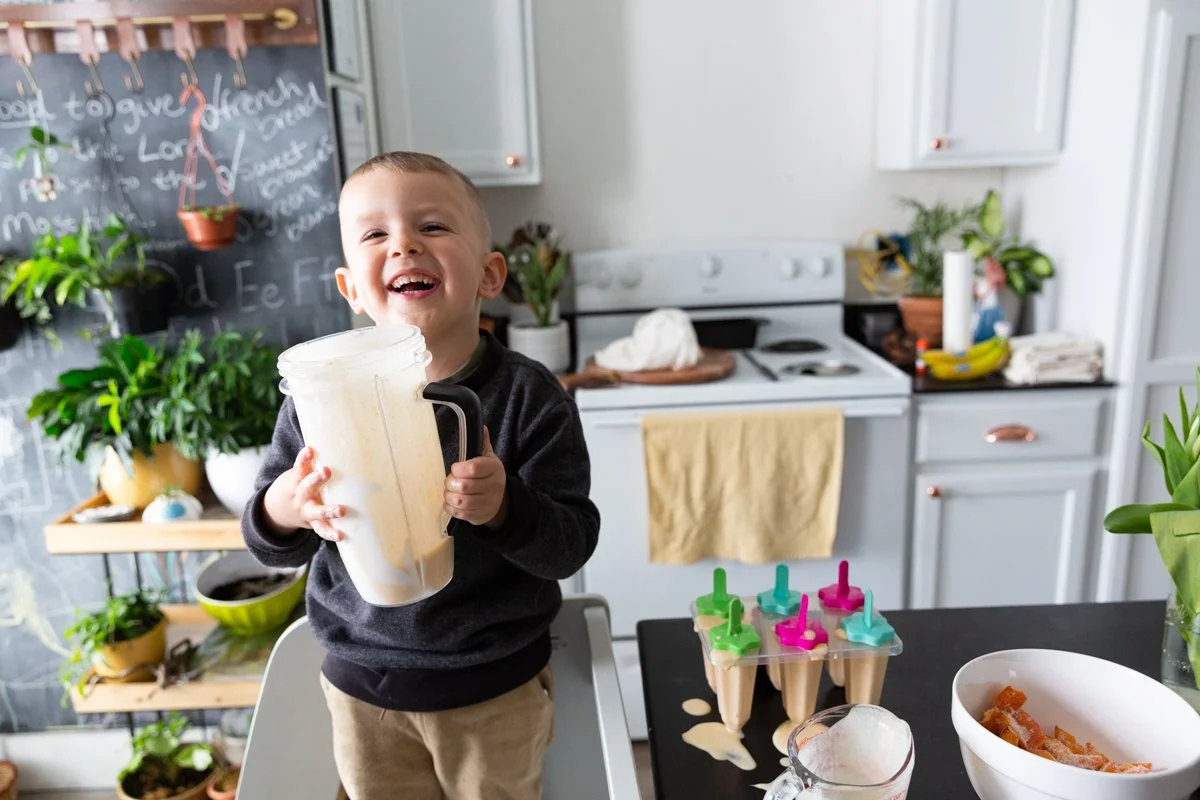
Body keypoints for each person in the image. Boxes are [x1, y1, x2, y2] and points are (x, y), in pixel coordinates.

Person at [241, 151, 601, 800]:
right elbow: (268, 540)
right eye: (375, 234)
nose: (403, 243)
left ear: (491, 273)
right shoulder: (318, 399)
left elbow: (571, 543)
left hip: (496, 689)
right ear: (352, 289)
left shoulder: (529, 396)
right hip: (363, 689)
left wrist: (503, 508)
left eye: (432, 227)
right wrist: (286, 507)